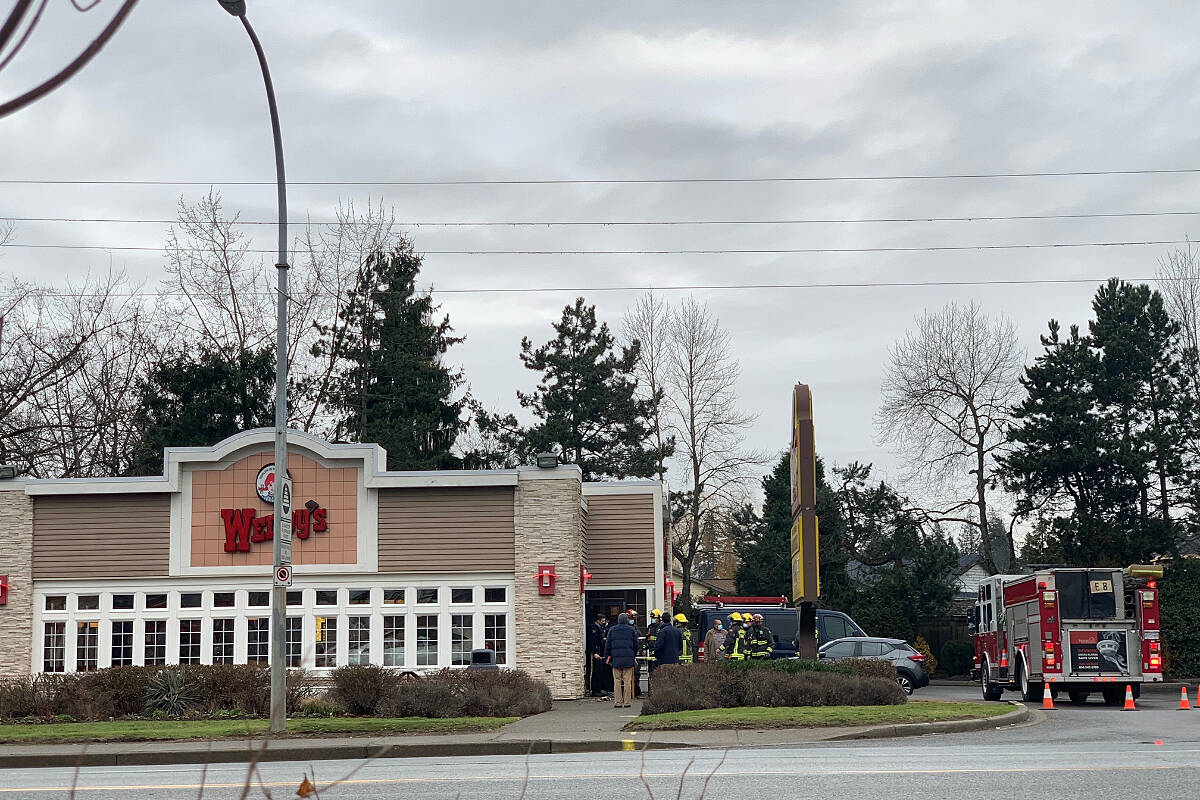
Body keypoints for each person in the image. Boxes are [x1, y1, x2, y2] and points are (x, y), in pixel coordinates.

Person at [604, 612, 639, 708]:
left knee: (617, 681)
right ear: (627, 620)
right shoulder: (631, 630)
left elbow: (608, 645)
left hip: (616, 659)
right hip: (628, 659)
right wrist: (633, 654)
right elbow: (636, 645)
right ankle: (627, 702)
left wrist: (607, 657)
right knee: (627, 681)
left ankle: (618, 702)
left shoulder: (612, 630)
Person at [588, 612, 612, 697]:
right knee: (595, 672)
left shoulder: (600, 628)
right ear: (598, 620)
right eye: (602, 621)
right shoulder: (593, 628)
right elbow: (592, 642)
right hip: (596, 653)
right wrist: (594, 652)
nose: (604, 622)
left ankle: (599, 689)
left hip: (600, 652)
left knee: (600, 672)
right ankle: (594, 690)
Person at [645, 609, 663, 676]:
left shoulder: (661, 627)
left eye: (654, 618)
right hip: (651, 653)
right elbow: (648, 638)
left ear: (658, 618)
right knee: (651, 671)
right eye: (652, 618)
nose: (652, 619)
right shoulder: (649, 627)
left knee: (659, 672)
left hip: (659, 654)